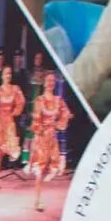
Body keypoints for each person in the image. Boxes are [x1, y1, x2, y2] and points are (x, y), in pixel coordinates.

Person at [28, 71, 69, 208]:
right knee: (40, 169)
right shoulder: (40, 100)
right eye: (48, 80)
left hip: (52, 138)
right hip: (41, 138)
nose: (51, 83)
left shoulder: (58, 100)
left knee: (50, 169)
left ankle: (40, 198)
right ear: (44, 83)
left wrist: (58, 125)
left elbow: (66, 113)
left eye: (53, 81)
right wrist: (42, 130)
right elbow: (35, 121)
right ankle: (37, 200)